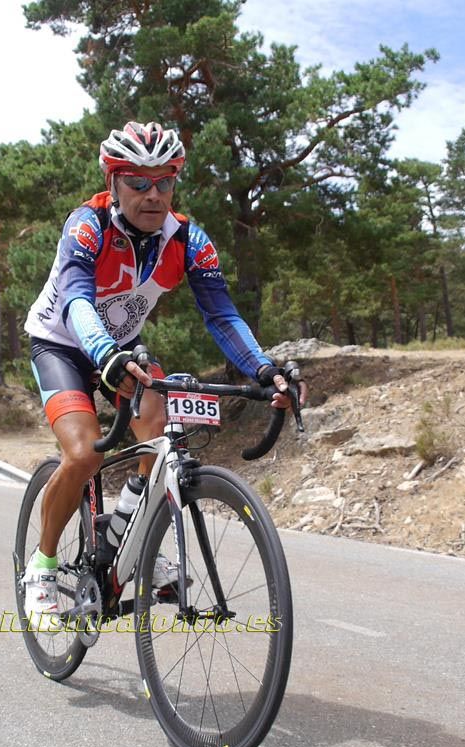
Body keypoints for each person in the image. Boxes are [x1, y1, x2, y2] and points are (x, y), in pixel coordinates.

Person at [21, 120, 307, 628]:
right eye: (138, 182)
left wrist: (263, 369)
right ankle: (41, 569)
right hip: (64, 342)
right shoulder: (87, 226)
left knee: (160, 430)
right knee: (85, 453)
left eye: (164, 182)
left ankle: (127, 533)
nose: (153, 195)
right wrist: (105, 353)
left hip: (121, 349)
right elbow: (76, 299)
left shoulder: (189, 240)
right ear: (113, 183)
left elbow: (221, 315)